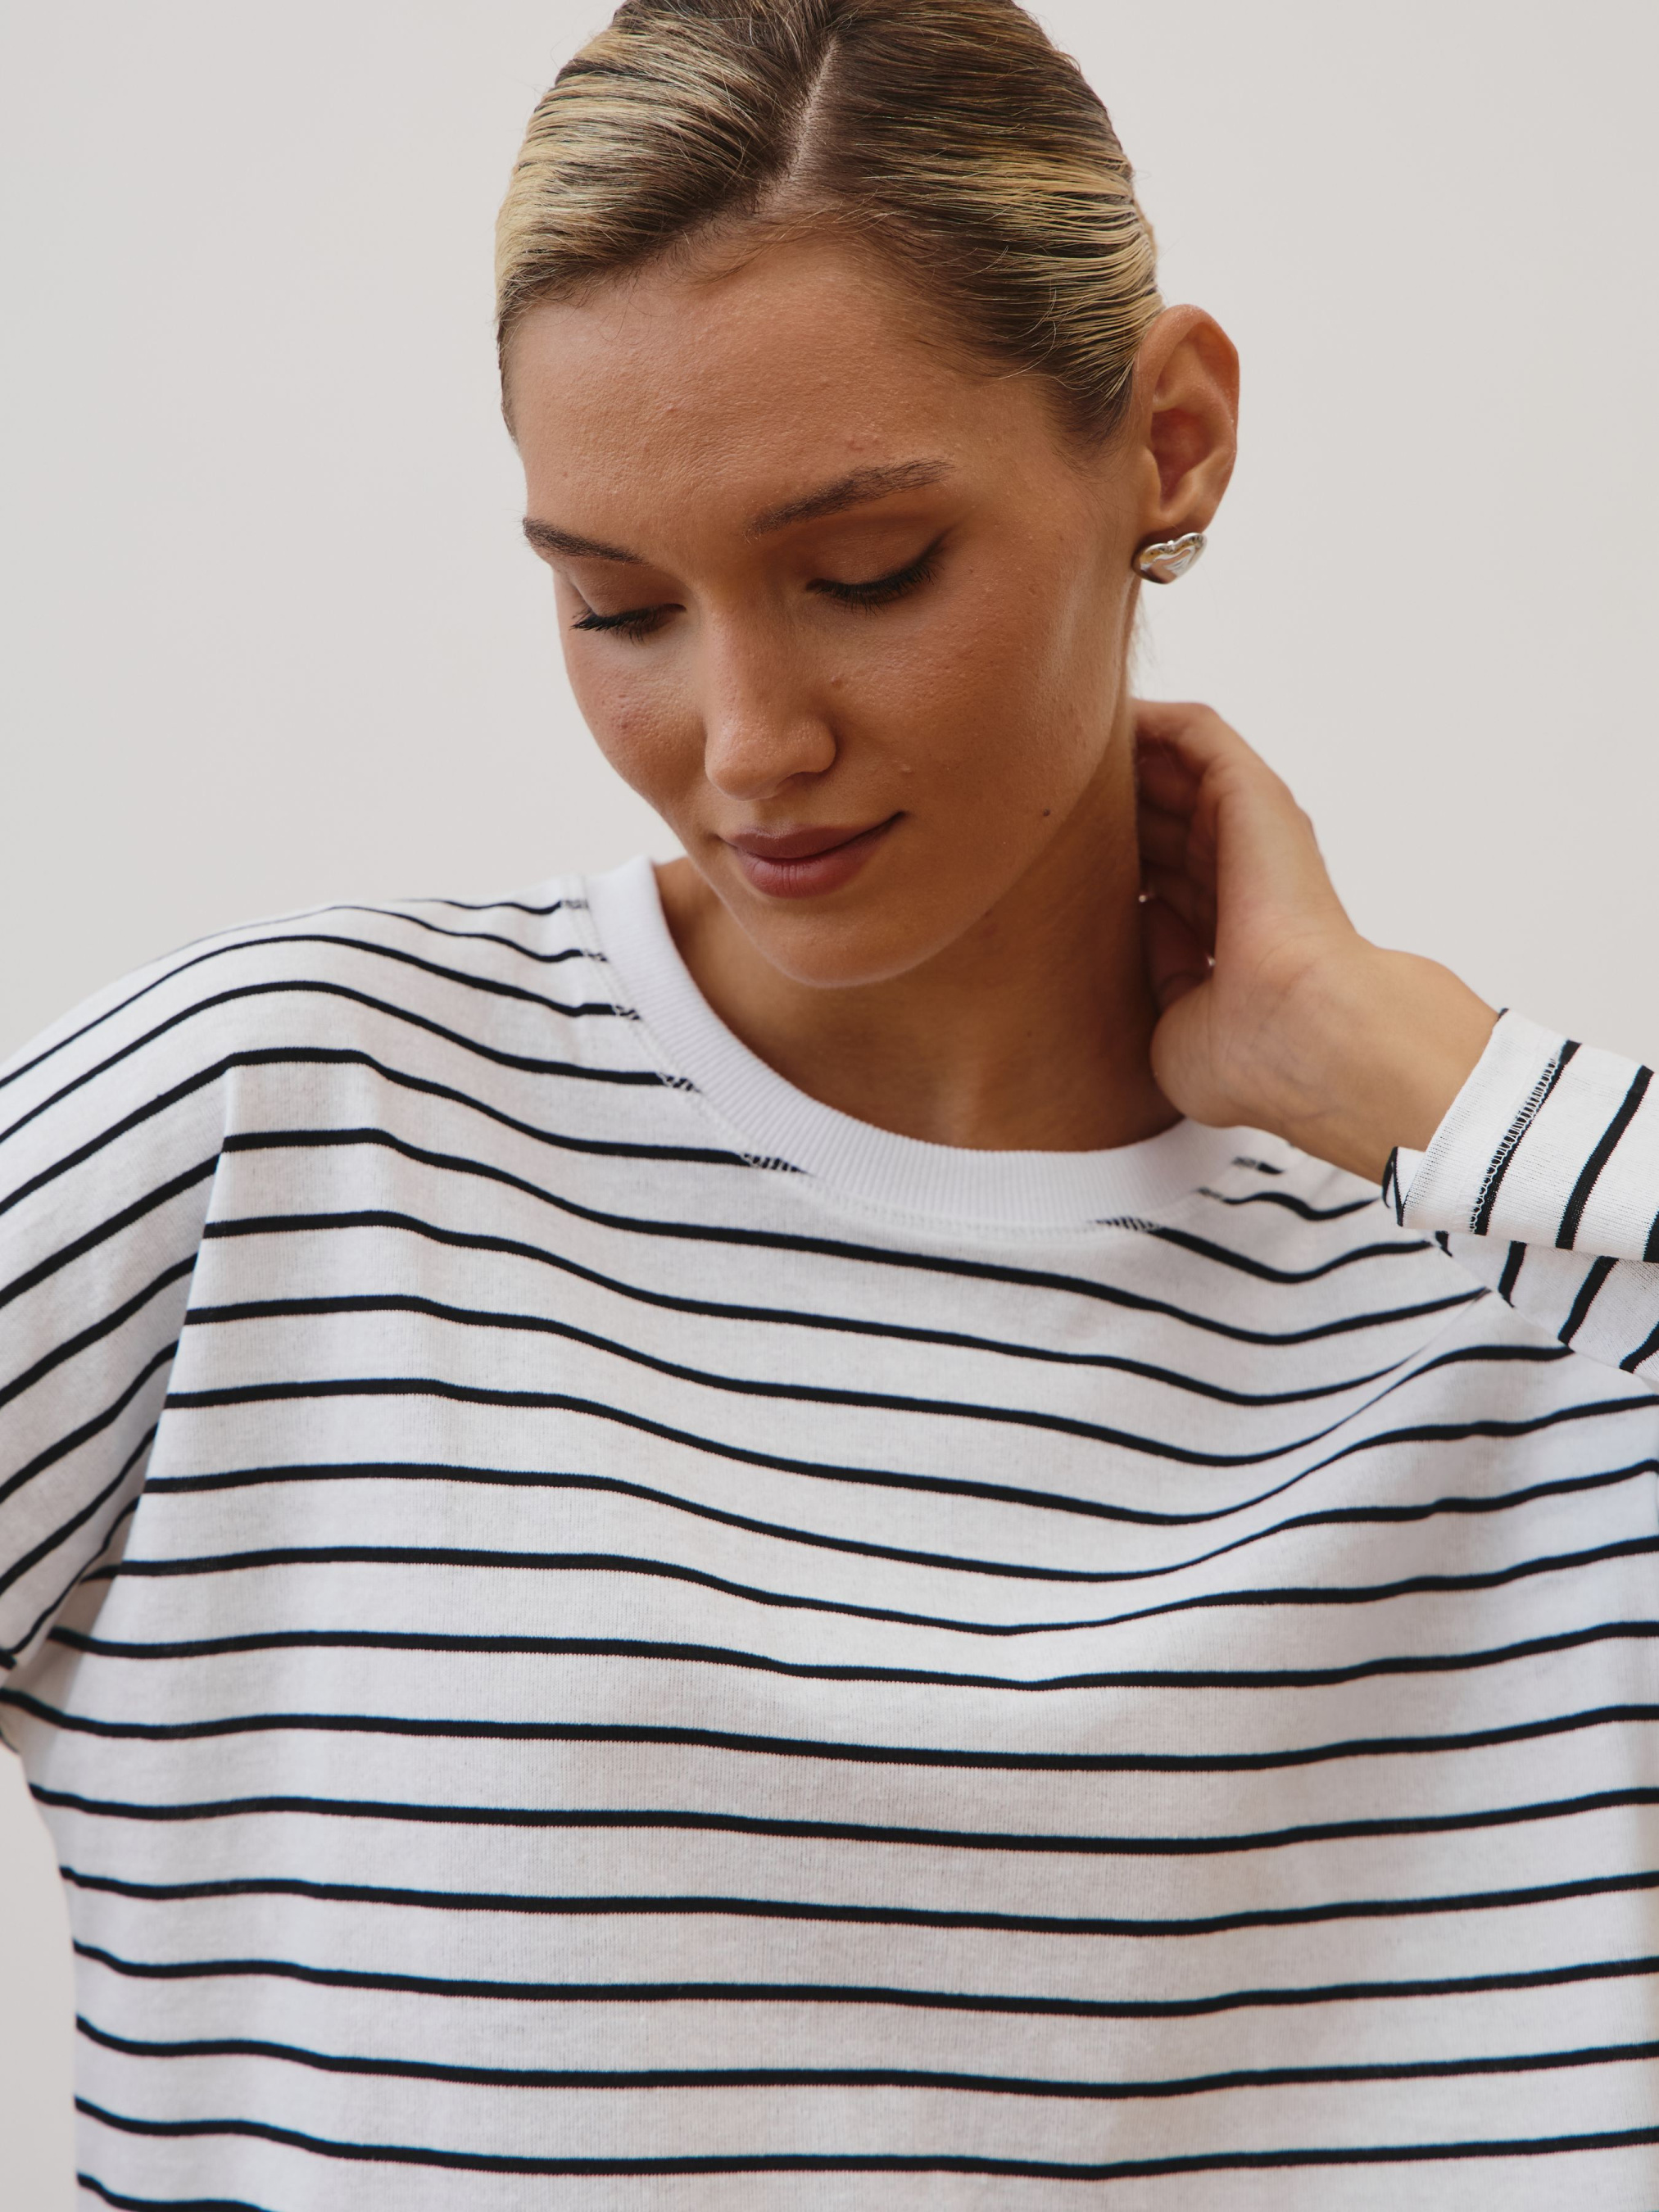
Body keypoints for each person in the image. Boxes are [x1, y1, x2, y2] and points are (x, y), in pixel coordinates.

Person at [2, 0, 1656, 2204]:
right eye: (616, 607)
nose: (745, 739)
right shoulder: (279, 1132)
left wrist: (1428, 1081)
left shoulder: (1542, 1273)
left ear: (1168, 441)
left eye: (866, 574)